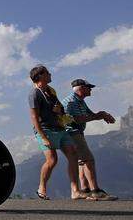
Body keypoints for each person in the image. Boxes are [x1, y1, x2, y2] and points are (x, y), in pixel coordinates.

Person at [27, 65, 87, 200]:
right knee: (52, 160)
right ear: (41, 76)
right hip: (45, 130)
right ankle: (41, 187)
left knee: (73, 154)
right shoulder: (34, 93)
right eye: (47, 73)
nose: (50, 74)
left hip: (60, 128)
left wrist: (59, 110)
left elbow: (61, 108)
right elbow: (34, 117)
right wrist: (43, 137)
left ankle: (75, 191)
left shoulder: (51, 90)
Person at [62, 79, 118, 201]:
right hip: (72, 133)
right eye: (88, 87)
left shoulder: (80, 101)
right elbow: (78, 119)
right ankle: (95, 191)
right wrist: (99, 116)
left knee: (82, 161)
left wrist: (101, 114)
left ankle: (85, 189)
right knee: (88, 159)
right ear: (80, 89)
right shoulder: (71, 102)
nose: (91, 89)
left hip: (77, 133)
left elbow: (90, 114)